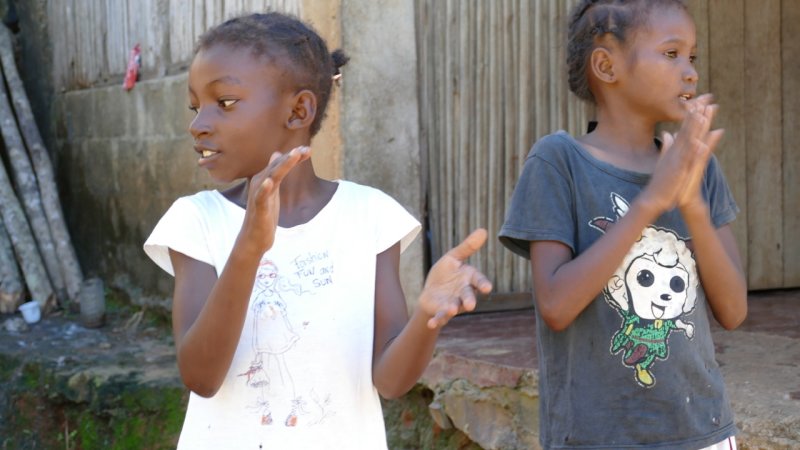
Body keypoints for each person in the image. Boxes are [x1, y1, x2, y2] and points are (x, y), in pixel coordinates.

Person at [143, 12, 492, 449]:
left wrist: (427, 316)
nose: (198, 125)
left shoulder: (369, 216)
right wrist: (249, 248)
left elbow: (390, 380)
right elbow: (201, 376)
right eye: (195, 107)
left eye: (225, 103)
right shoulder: (196, 221)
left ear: (298, 110)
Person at [498, 1, 746, 449]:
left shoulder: (699, 167)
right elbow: (555, 305)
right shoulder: (559, 162)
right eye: (671, 54)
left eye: (693, 57)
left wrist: (691, 205)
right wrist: (652, 200)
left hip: (702, 432)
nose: (689, 72)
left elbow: (733, 310)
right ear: (606, 65)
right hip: (597, 437)